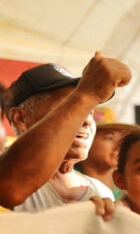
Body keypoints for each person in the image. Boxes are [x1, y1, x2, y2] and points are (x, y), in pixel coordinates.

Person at [0, 52, 131, 211]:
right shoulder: (6, 175)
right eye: (68, 107)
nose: (87, 120)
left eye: (89, 110)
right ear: (20, 119)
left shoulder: (101, 192)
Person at [76, 122, 137, 200]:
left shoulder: (123, 181)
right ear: (86, 138)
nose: (120, 145)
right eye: (110, 138)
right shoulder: (66, 177)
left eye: (124, 140)